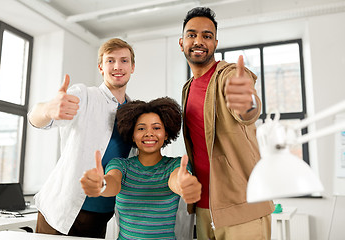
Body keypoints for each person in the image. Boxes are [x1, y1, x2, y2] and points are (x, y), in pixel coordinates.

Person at [179, 7, 275, 240]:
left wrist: (246, 101)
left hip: (243, 208)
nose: (199, 41)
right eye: (192, 35)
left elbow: (247, 109)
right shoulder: (188, 88)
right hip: (204, 209)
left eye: (207, 36)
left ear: (215, 43)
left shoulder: (228, 75)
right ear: (182, 43)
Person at [28, 38, 136, 238]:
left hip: (101, 215)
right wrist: (47, 110)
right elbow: (36, 118)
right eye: (110, 60)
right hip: (59, 211)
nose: (117, 66)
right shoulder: (84, 95)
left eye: (124, 60)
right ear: (101, 67)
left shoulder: (136, 112)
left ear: (132, 67)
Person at [80, 97, 202, 240]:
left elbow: (176, 181)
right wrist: (101, 185)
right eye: (141, 128)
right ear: (132, 135)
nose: (149, 133)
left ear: (166, 133)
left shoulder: (176, 165)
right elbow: (113, 182)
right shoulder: (121, 165)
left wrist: (183, 184)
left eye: (156, 128)